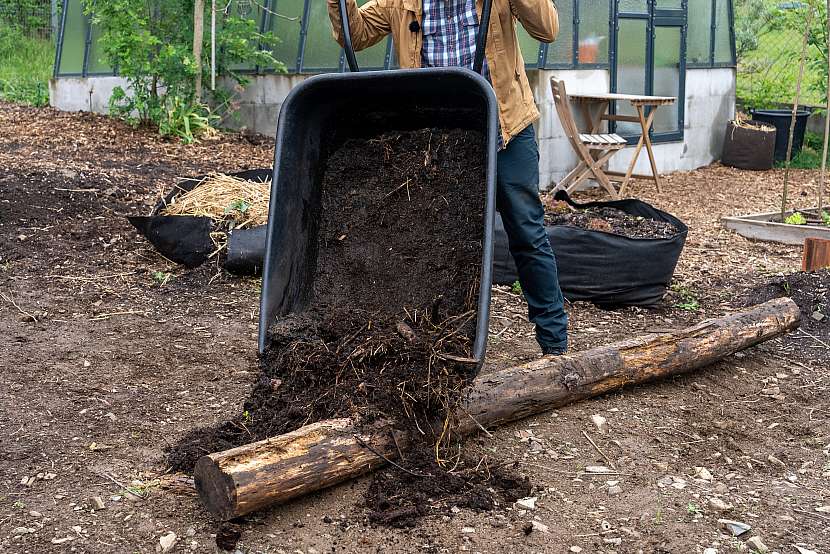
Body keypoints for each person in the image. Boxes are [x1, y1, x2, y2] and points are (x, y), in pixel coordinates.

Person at [327, 0, 569, 356]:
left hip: (505, 129)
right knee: (436, 237)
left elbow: (546, 29)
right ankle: (441, 340)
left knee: (527, 232)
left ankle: (554, 344)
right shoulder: (402, 3)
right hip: (440, 140)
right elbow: (356, 35)